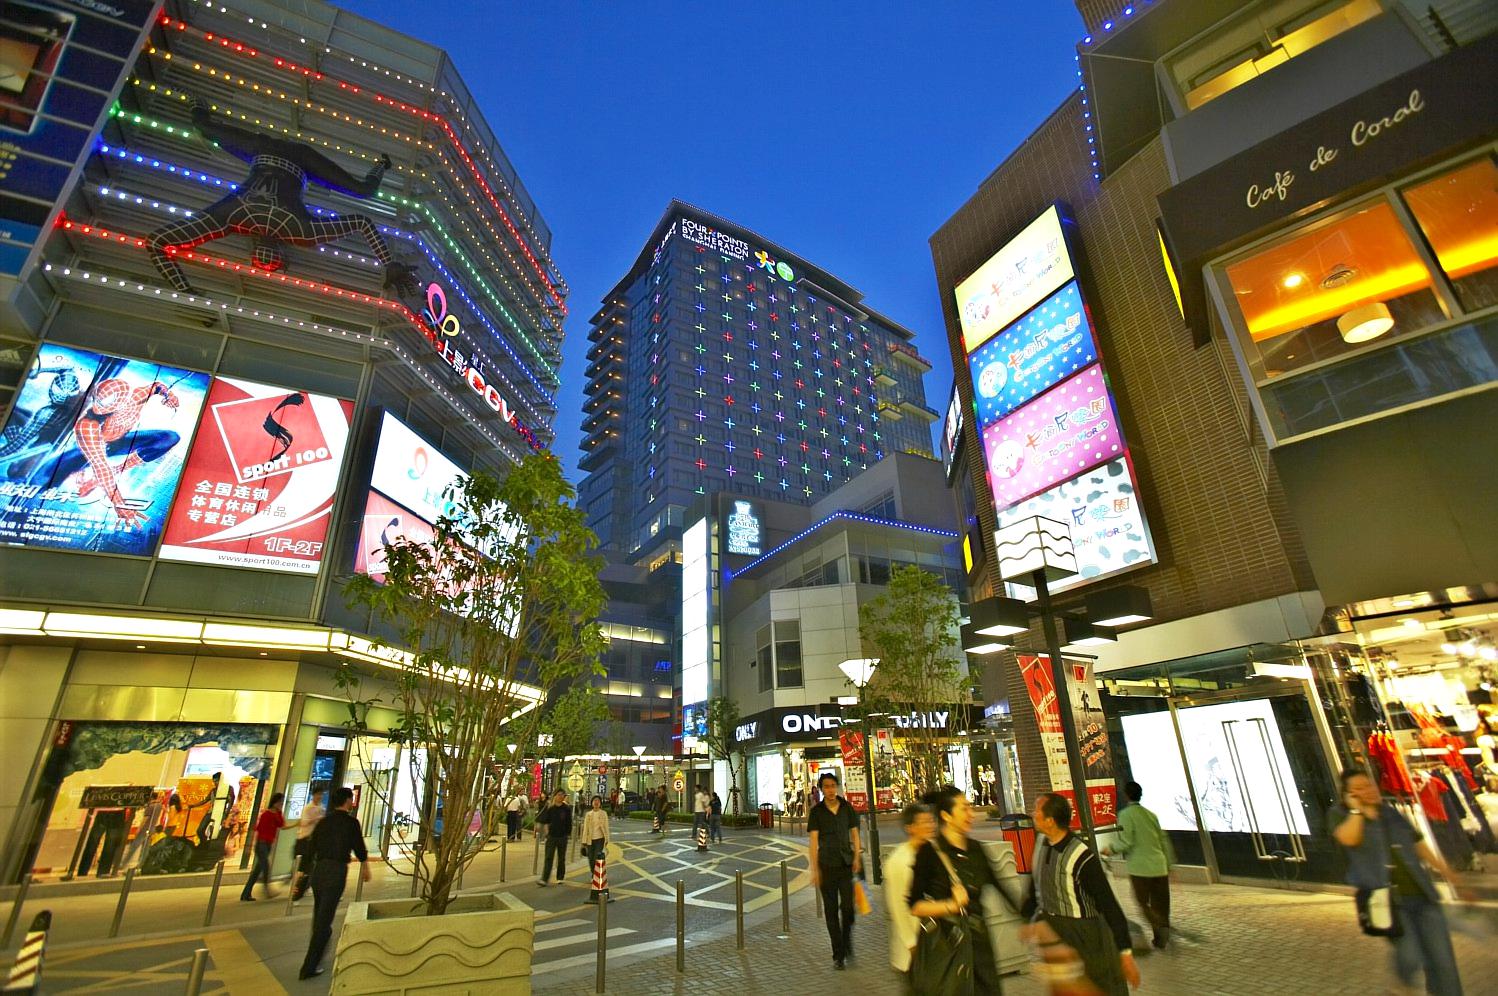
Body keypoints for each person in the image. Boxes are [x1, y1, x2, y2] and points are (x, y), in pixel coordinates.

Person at [1331, 769, 1466, 995]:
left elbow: (1418, 844)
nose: (1367, 790)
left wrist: (1449, 874)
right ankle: (1401, 985)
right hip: (1388, 901)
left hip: (1422, 894)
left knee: (1443, 961)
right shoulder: (1340, 815)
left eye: (1368, 785)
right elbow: (1348, 839)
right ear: (1348, 794)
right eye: (1358, 788)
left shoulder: (1389, 812)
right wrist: (1357, 810)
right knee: (1410, 954)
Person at [1023, 793, 1139, 995]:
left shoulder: (1081, 856)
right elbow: (1036, 885)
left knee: (1096, 985)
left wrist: (1125, 951)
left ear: (1050, 821)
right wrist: (1028, 917)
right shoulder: (1041, 843)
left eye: (1037, 811)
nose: (1033, 814)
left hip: (1083, 933)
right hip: (1055, 930)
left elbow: (1108, 904)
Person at [908, 786, 1007, 993]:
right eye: (964, 808)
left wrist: (1028, 916)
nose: (971, 814)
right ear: (947, 816)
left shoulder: (975, 849)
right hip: (950, 948)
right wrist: (951, 905)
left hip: (980, 948)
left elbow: (999, 885)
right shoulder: (929, 853)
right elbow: (915, 906)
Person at [298, 787, 370, 981]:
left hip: (319, 870)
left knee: (320, 915)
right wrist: (365, 866)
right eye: (351, 799)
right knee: (324, 920)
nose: (352, 802)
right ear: (347, 801)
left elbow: (311, 848)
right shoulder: (351, 823)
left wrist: (302, 872)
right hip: (336, 871)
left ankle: (317, 953)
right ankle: (309, 965)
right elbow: (359, 847)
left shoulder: (324, 822)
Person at [1102, 780, 1172, 948]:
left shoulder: (1125, 815)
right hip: (1159, 865)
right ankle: (1161, 936)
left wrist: (1110, 849)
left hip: (1140, 868)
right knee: (1161, 904)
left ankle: (1159, 925)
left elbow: (1127, 841)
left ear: (1126, 795)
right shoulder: (1151, 815)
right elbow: (1163, 840)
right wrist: (1169, 864)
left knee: (1142, 902)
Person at [807, 771, 862, 970]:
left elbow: (854, 834)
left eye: (833, 786)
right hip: (826, 866)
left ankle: (846, 942)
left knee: (848, 909)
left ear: (837, 787)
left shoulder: (847, 808)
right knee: (830, 911)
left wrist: (856, 857)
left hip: (845, 864)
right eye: (826, 787)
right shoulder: (817, 812)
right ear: (821, 789)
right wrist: (814, 870)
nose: (830, 790)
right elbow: (813, 842)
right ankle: (838, 955)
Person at [883, 802, 935, 980]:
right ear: (910, 828)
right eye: (924, 822)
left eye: (930, 821)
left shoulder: (933, 851)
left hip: (934, 940)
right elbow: (898, 906)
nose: (930, 826)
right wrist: (911, 943)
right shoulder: (898, 861)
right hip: (912, 948)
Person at [241, 792, 293, 901]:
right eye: (280, 802)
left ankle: (246, 893)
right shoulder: (266, 814)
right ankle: (267, 889)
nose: (281, 804)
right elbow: (258, 829)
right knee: (265, 866)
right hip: (261, 843)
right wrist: (250, 844)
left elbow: (282, 826)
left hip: (268, 844)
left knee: (257, 870)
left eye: (282, 802)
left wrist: (296, 824)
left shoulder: (278, 814)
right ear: (275, 802)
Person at [290, 784, 327, 902]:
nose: (320, 797)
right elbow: (304, 822)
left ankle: (303, 887)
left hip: (315, 840)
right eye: (318, 794)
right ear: (313, 795)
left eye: (321, 794)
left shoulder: (322, 808)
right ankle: (296, 889)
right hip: (304, 839)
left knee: (310, 866)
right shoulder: (308, 808)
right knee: (302, 867)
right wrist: (316, 819)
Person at [537, 790, 573, 886]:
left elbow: (569, 822)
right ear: (555, 796)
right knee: (548, 858)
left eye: (562, 795)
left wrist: (568, 834)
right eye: (559, 795)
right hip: (552, 836)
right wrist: (547, 833)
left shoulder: (566, 809)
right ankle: (544, 879)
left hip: (562, 837)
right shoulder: (551, 808)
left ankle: (560, 877)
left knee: (561, 858)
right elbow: (545, 821)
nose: (561, 797)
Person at [583, 795, 611, 903]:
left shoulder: (603, 814)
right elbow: (585, 828)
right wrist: (583, 841)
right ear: (591, 803)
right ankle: (593, 873)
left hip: (600, 838)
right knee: (590, 858)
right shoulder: (588, 814)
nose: (596, 802)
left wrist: (607, 838)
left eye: (598, 801)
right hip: (590, 839)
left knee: (596, 857)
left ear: (600, 803)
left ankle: (596, 875)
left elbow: (606, 826)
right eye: (594, 801)